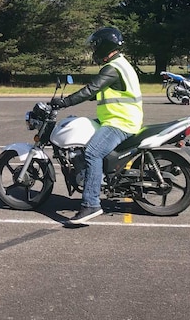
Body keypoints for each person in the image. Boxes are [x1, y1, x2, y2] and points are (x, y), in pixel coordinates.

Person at [50, 26, 143, 225]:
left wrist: (65, 102)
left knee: (92, 152)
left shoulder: (113, 68)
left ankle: (91, 204)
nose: (93, 50)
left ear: (104, 45)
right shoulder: (119, 64)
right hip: (115, 118)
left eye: (95, 45)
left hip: (121, 122)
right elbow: (97, 92)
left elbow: (91, 88)